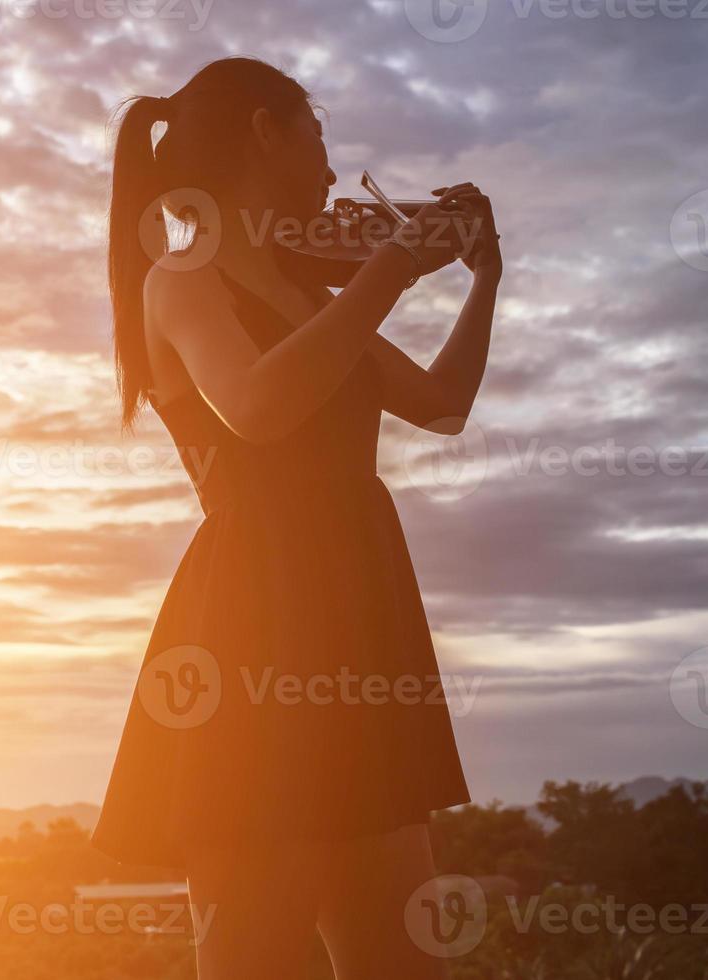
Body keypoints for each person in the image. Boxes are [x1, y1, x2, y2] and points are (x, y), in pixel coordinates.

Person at [92, 55, 502, 980]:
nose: (330, 168)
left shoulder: (311, 293)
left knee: (403, 962)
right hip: (254, 620)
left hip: (358, 610)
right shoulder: (182, 279)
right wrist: (390, 269)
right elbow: (256, 407)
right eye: (318, 137)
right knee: (256, 958)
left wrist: (484, 280)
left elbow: (439, 403)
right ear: (265, 132)